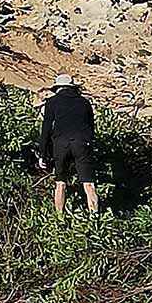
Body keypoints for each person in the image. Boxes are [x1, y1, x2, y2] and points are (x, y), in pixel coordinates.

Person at [38, 74, 98, 215]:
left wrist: (43, 154)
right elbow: (91, 127)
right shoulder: (84, 102)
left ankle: (59, 219)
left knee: (60, 183)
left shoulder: (52, 102)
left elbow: (46, 129)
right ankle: (95, 219)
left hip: (61, 144)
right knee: (89, 184)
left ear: (57, 88)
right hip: (82, 143)